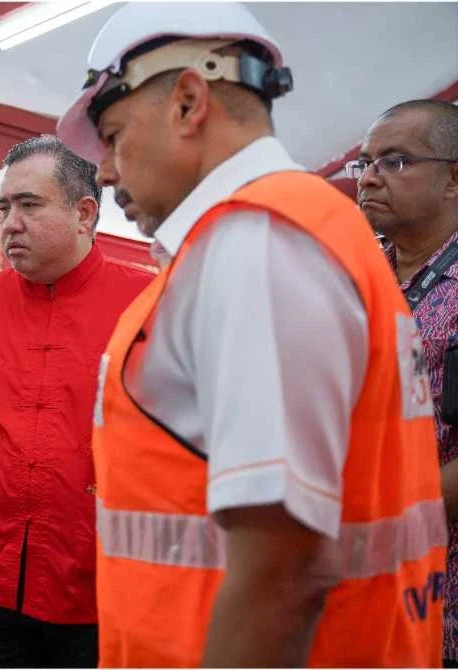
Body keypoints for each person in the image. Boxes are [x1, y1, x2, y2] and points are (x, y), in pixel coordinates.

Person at [56, 3, 447, 666]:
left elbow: (284, 569)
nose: (108, 171)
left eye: (115, 136)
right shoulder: (303, 231)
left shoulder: (257, 245)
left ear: (187, 102)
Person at [0, 136, 147, 668]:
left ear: (84, 213)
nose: (9, 222)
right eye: (4, 206)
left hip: (97, 591)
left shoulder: (148, 304)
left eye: (29, 205)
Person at [354, 99, 458, 663]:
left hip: (440, 602)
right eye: (365, 162)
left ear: (454, 178)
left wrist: (372, 508)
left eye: (393, 162)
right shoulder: (354, 278)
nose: (368, 176)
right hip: (354, 595)